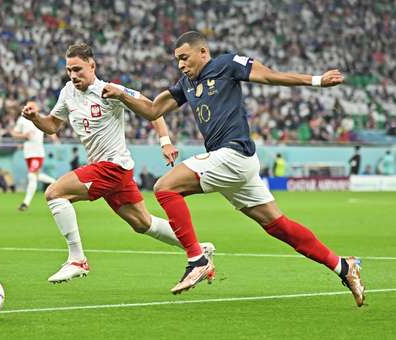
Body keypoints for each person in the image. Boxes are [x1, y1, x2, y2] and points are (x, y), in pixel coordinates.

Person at [102, 31, 365, 306]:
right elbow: (154, 110)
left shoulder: (226, 64)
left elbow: (269, 75)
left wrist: (316, 81)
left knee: (164, 187)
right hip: (232, 163)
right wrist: (122, 96)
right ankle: (343, 267)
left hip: (233, 154)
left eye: (184, 58)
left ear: (203, 52)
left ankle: (197, 259)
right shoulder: (186, 84)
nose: (180, 64)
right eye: (177, 60)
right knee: (279, 226)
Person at [21, 43, 214, 284]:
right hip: (110, 170)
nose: (73, 75)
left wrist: (165, 142)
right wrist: (35, 118)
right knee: (143, 223)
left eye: (78, 69)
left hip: (112, 167)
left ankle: (77, 259)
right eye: (69, 70)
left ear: (92, 66)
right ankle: (198, 248)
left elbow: (153, 109)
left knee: (55, 193)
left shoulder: (110, 91)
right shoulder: (67, 92)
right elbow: (52, 125)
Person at [10, 114, 57, 211]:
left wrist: (53, 136)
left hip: (38, 153)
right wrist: (23, 135)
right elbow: (14, 133)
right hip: (28, 153)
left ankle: (25, 203)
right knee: (36, 175)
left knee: (32, 176)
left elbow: (50, 127)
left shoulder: (40, 117)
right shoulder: (22, 119)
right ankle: (55, 182)